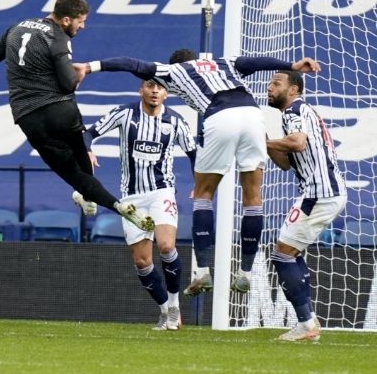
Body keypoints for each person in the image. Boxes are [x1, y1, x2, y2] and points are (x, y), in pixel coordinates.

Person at [75, 49, 320, 296]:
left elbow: (131, 62)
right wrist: (293, 64)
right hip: (253, 116)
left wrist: (90, 66)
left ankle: (202, 272)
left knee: (203, 196)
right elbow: (256, 62)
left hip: (220, 116)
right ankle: (246, 272)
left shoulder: (174, 71)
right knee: (253, 198)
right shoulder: (223, 62)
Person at [0, 0, 154, 231]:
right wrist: (76, 74)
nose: (83, 25)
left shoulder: (15, 29)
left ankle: (115, 205)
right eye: (80, 20)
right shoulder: (58, 37)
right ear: (65, 20)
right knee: (81, 160)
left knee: (72, 173)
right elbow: (67, 84)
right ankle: (94, 197)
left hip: (28, 117)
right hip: (61, 111)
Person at [83, 79, 197, 330]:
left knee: (167, 245)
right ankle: (165, 310)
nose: (155, 91)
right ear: (141, 91)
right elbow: (89, 133)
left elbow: (193, 153)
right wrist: (88, 149)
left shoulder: (175, 120)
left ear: (167, 93)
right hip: (132, 197)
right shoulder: (125, 113)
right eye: (149, 86)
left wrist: (200, 184)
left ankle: (175, 306)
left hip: (161, 191)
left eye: (160, 87)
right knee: (143, 262)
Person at [265, 70, 346, 341]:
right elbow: (287, 163)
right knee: (290, 254)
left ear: (293, 90)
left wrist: (261, 140)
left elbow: (297, 144)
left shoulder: (293, 111)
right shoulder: (301, 111)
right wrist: (265, 143)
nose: (270, 87)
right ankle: (308, 320)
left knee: (282, 255)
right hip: (324, 192)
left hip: (318, 194)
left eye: (277, 84)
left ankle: (307, 323)